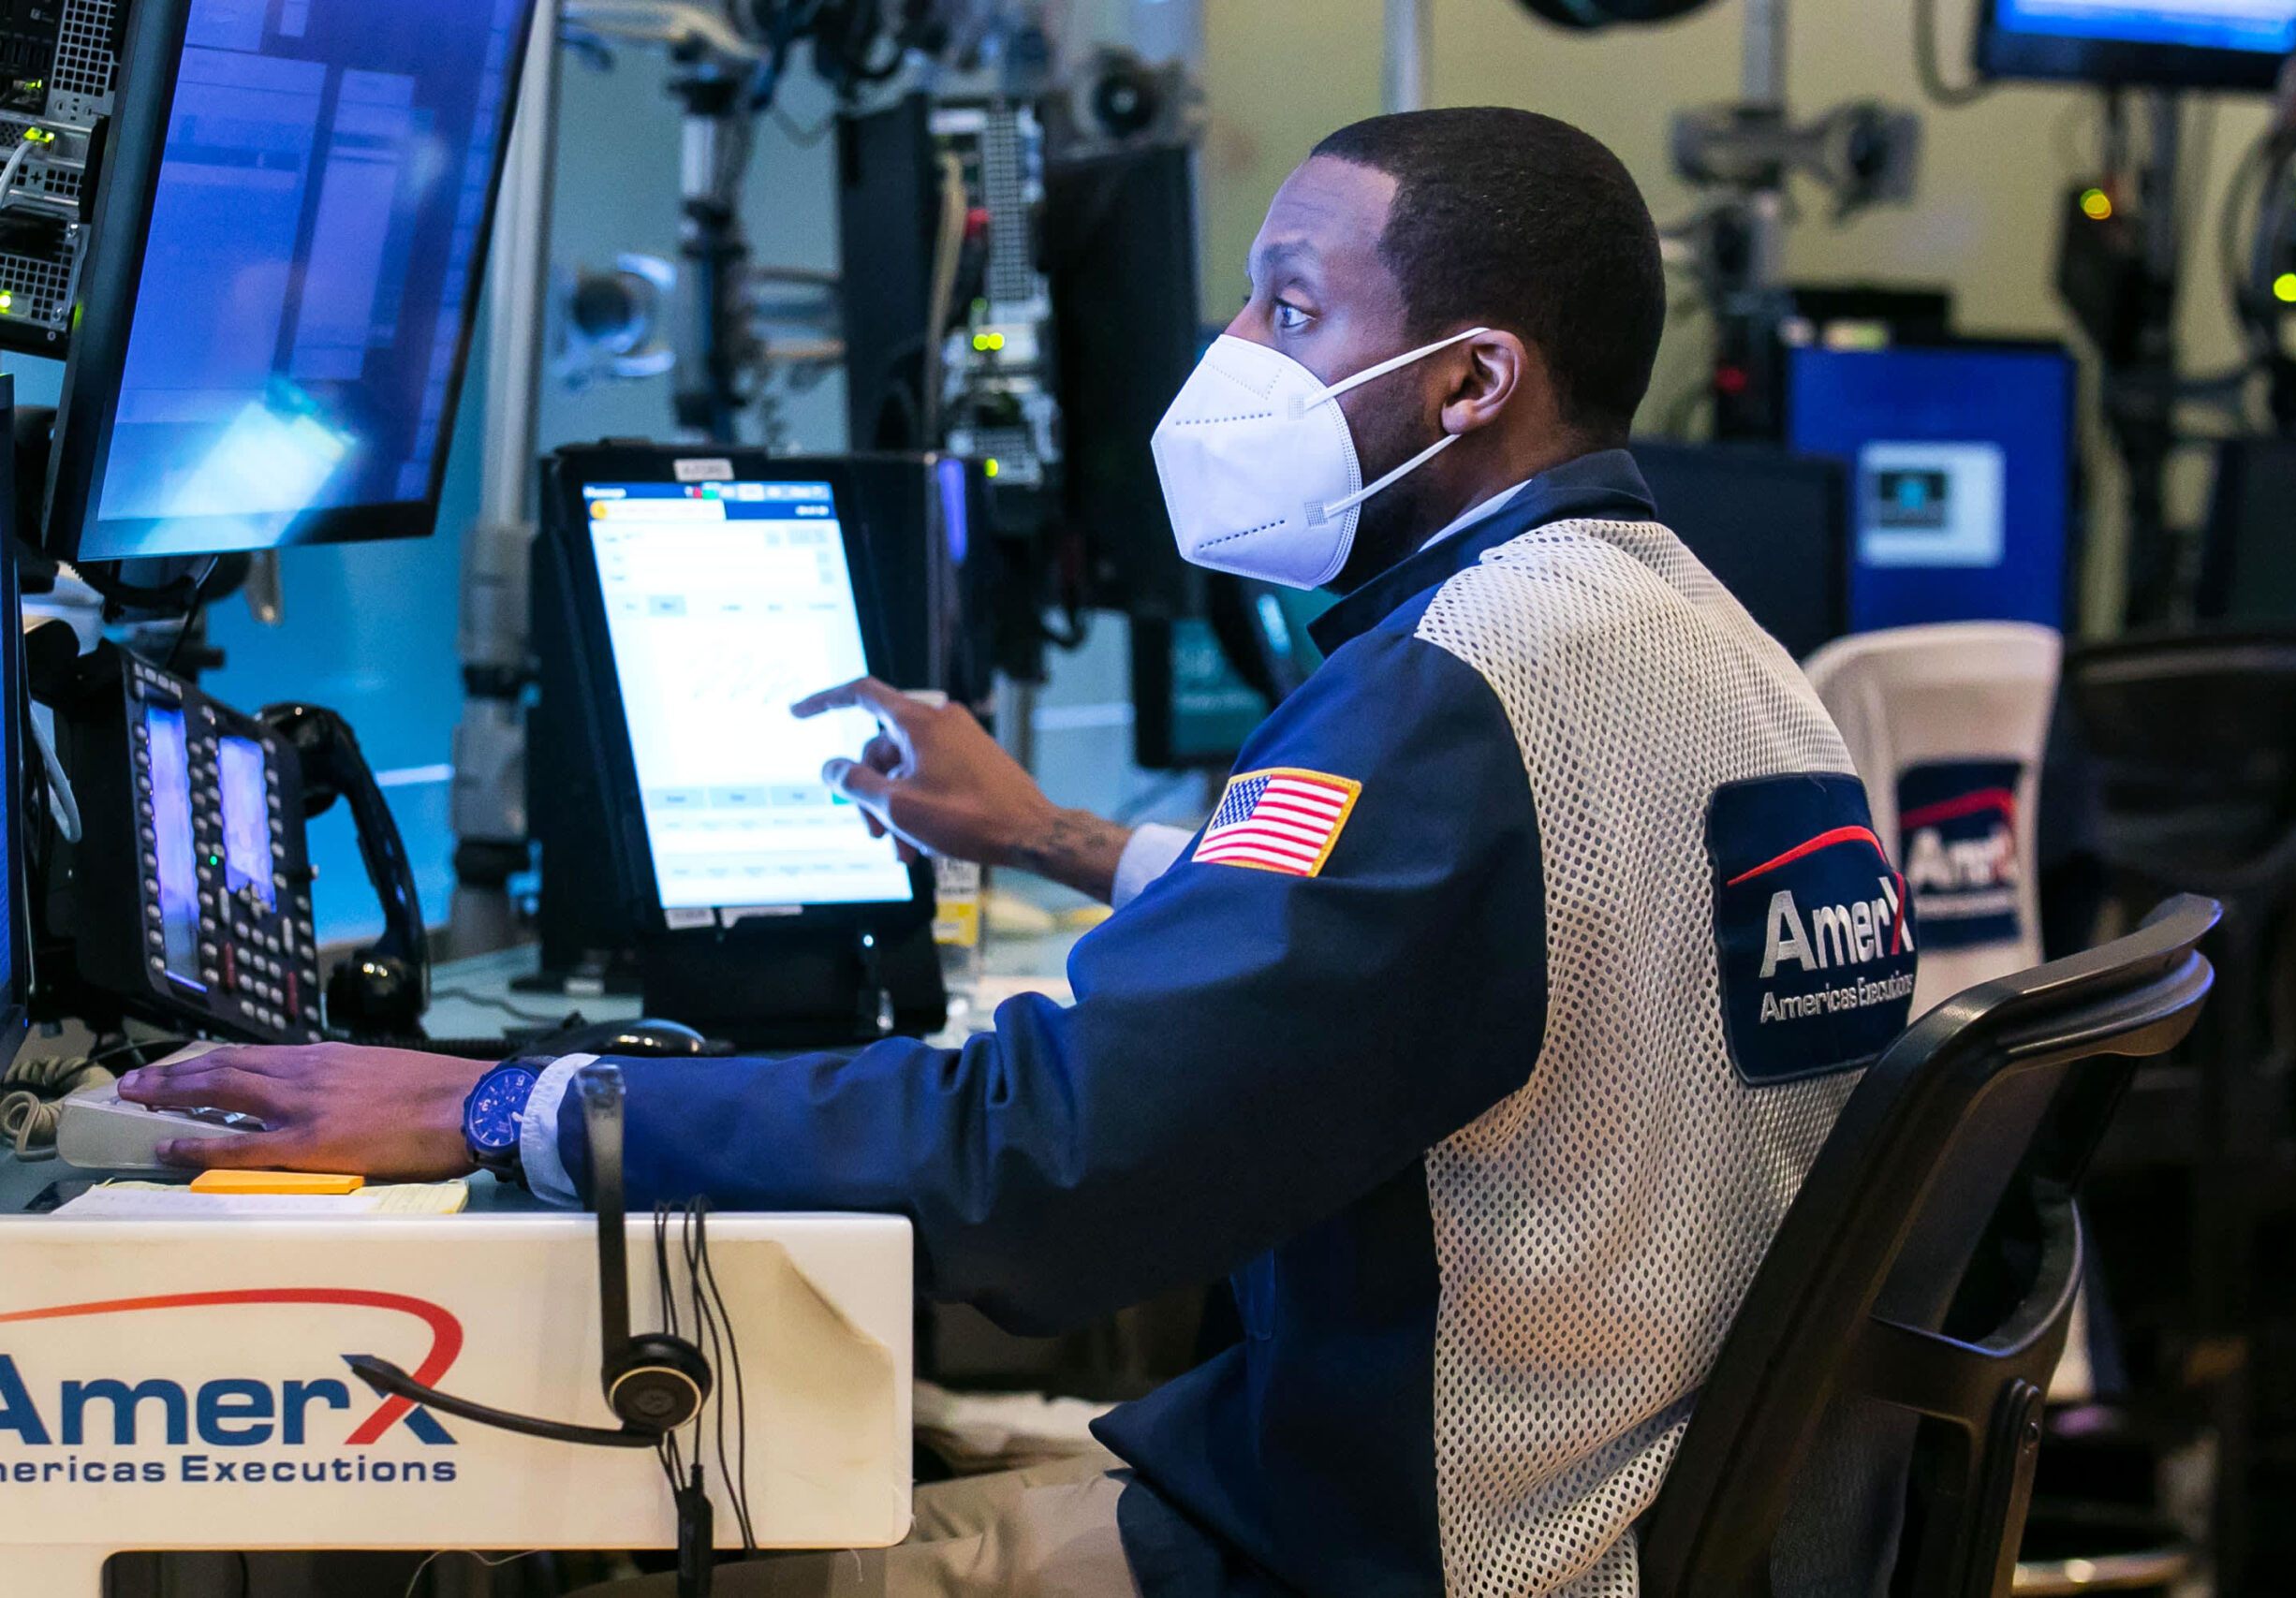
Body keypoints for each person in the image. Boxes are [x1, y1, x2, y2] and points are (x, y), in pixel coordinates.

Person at [120, 108, 1920, 1597]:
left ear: (1469, 385)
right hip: (1607, 1494)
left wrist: (505, 1106)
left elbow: (1047, 1158)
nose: (1233, 366)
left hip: (1424, 1550)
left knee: (661, 1565)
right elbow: (1445, 942)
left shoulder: (1465, 685)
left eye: (1291, 313)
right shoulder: (1691, 642)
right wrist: (1046, 832)